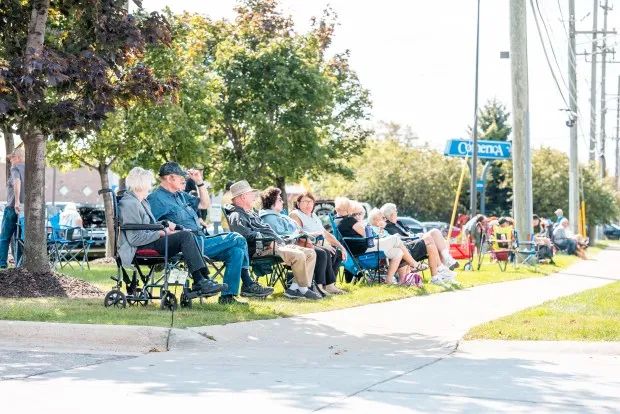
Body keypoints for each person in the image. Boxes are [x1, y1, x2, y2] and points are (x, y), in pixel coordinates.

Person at [148, 163, 273, 305]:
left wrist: (200, 182)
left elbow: (204, 204)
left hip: (201, 239)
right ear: (170, 178)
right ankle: (248, 283)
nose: (184, 179)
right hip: (188, 243)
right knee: (237, 238)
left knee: (236, 251)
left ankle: (228, 297)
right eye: (180, 177)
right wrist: (174, 230)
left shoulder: (181, 196)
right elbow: (153, 225)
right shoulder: (155, 199)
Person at [119, 167, 225, 297]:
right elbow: (134, 238)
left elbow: (148, 226)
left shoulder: (142, 202)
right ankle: (200, 281)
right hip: (139, 246)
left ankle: (203, 280)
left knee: (185, 234)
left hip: (150, 240)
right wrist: (162, 233)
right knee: (185, 236)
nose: (150, 186)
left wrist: (167, 226)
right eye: (148, 183)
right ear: (142, 183)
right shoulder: (130, 204)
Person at [224, 180, 321, 300]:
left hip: (276, 244)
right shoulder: (237, 215)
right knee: (299, 255)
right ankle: (303, 289)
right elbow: (244, 236)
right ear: (243, 197)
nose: (254, 197)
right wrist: (268, 240)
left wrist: (277, 239)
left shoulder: (250, 213)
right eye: (251, 194)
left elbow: (265, 229)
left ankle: (294, 289)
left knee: (311, 253)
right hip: (261, 249)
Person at [260, 188, 346, 296]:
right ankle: (313, 287)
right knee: (321, 252)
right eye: (280, 200)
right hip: (290, 246)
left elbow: (300, 232)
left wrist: (342, 247)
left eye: (310, 201)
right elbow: (287, 236)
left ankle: (317, 286)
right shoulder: (277, 217)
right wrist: (313, 239)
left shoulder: (284, 216)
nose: (282, 201)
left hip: (299, 243)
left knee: (334, 252)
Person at [368, 208, 454, 286]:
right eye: (383, 218)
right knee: (429, 237)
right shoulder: (375, 229)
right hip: (403, 251)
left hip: (406, 247)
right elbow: (383, 243)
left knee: (431, 246)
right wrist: (381, 229)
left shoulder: (391, 226)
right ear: (376, 221)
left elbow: (401, 237)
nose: (385, 219)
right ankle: (441, 268)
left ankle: (435, 277)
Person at [381, 203, 459, 271]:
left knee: (443, 241)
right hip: (410, 249)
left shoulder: (398, 223)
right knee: (434, 233)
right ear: (391, 215)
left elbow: (409, 233)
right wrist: (417, 237)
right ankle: (443, 266)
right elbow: (400, 239)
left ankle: (445, 266)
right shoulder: (389, 226)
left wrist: (417, 235)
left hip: (415, 243)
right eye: (396, 212)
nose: (397, 213)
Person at [0, 147, 25, 268]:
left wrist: (16, 202)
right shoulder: (31, 170)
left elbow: (17, 182)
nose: (11, 161)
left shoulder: (16, 168)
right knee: (19, 238)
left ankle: (2, 264)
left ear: (18, 158)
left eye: (12, 158)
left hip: (12, 208)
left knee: (4, 238)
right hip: (25, 210)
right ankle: (19, 265)